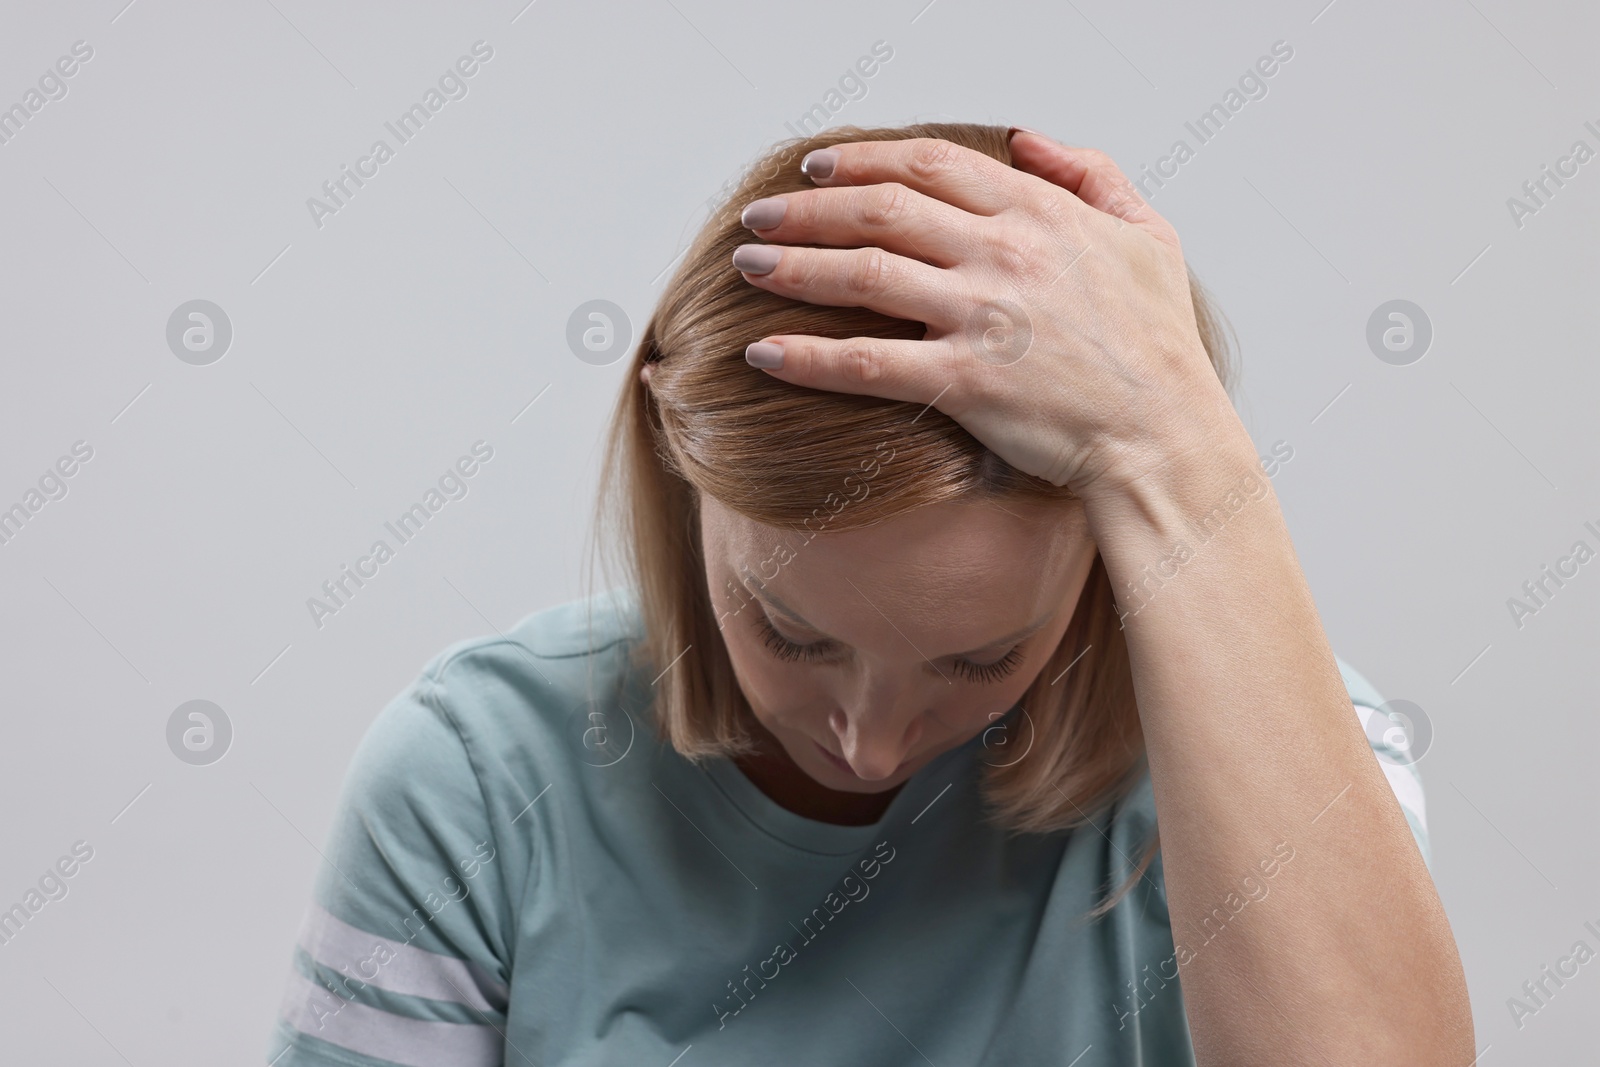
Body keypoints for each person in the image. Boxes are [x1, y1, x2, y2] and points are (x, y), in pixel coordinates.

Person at [265, 122, 1474, 1065]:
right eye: (790, 630)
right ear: (680, 484)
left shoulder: (1296, 761)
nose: (869, 738)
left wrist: (1176, 437)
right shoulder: (476, 778)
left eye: (975, 659)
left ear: (1105, 560)